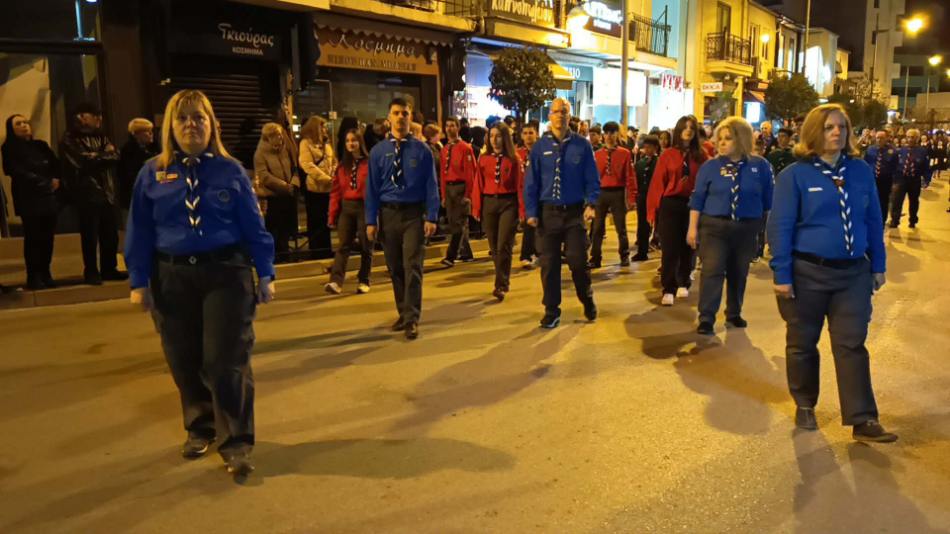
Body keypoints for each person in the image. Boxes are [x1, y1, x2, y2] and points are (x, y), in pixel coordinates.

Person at [125, 89, 277, 477]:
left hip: (226, 273)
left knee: (226, 360)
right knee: (183, 359)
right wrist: (139, 280)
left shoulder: (231, 171)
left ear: (212, 125)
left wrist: (266, 272)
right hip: (172, 277)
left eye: (199, 117)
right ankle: (200, 426)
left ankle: (237, 441)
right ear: (169, 127)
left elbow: (254, 226)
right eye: (183, 118)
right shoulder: (151, 173)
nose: (191, 125)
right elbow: (139, 230)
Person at [767, 103, 896, 443]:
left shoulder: (860, 171)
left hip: (853, 275)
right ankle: (805, 403)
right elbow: (779, 227)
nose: (837, 132)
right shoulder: (794, 175)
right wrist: (782, 274)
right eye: (829, 127)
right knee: (802, 343)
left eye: (842, 126)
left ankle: (863, 418)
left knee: (852, 344)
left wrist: (878, 264)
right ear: (814, 132)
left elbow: (873, 219)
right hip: (807, 273)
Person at [687, 117, 773, 335]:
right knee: (712, 270)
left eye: (728, 138)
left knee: (739, 271)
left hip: (746, 227)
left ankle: (734, 312)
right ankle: (706, 317)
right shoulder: (710, 167)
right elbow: (697, 199)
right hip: (714, 227)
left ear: (742, 139)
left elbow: (768, 202)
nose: (722, 143)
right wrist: (692, 228)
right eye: (720, 138)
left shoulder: (760, 166)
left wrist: (767, 232)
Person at [365, 97, 440, 340]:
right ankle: (403, 311)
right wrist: (370, 220)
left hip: (413, 215)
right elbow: (371, 188)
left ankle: (412, 318)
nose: (400, 117)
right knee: (395, 267)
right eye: (396, 113)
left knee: (413, 266)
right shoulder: (378, 152)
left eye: (405, 113)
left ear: (410, 117)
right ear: (389, 118)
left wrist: (431, 216)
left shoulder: (422, 150)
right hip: (388, 214)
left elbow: (431, 185)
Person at [524, 98, 600, 328]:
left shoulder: (582, 145)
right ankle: (551, 310)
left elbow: (592, 178)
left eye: (564, 112)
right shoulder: (539, 147)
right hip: (548, 214)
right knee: (549, 265)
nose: (560, 115)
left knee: (578, 261)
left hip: (574, 213)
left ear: (570, 115)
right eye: (556, 111)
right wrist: (531, 211)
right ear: (550, 115)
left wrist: (592, 203)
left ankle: (586, 297)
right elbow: (531, 182)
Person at [60, 102, 125, 285]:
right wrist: (103, 155)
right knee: (90, 235)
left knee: (110, 233)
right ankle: (91, 270)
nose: (98, 119)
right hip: (86, 191)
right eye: (92, 115)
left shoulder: (102, 137)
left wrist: (98, 156)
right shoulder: (70, 138)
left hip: (107, 191)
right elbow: (81, 161)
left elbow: (116, 155)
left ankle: (109, 268)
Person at [647, 115, 708, 306]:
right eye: (685, 127)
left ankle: (684, 281)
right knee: (670, 247)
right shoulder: (668, 155)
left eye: (691, 127)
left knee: (688, 246)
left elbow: (706, 183)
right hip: (671, 204)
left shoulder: (702, 156)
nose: (688, 130)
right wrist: (652, 210)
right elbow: (658, 183)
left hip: (693, 204)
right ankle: (668, 287)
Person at [2, 114, 60, 289]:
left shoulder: (40, 145)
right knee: (33, 237)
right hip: (28, 196)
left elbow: (55, 164)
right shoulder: (9, 147)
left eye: (25, 122)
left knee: (47, 237)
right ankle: (33, 276)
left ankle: (45, 272)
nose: (24, 125)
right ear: (11, 129)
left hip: (48, 195)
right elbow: (12, 169)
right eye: (18, 124)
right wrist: (39, 181)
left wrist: (55, 178)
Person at [473, 122, 523, 300]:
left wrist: (522, 210)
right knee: (494, 247)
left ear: (505, 138)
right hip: (489, 203)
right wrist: (476, 207)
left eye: (498, 136)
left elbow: (520, 186)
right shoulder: (483, 158)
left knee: (503, 245)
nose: (494, 140)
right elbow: (478, 184)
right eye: (491, 136)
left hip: (508, 203)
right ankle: (502, 279)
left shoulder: (514, 159)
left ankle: (500, 284)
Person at [325, 129, 372, 295]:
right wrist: (332, 215)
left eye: (354, 140)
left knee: (366, 245)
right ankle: (336, 281)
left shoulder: (369, 163)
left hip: (364, 206)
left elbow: (375, 188)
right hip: (347, 207)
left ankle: (364, 279)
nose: (351, 143)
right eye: (348, 141)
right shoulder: (342, 166)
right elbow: (335, 192)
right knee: (343, 245)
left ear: (360, 142)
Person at [590, 121, 636, 269]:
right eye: (607, 133)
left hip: (617, 192)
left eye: (612, 133)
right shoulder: (597, 154)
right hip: (601, 192)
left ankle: (624, 255)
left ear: (617, 134)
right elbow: (593, 177)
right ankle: (595, 257)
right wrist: (590, 199)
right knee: (597, 227)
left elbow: (630, 176)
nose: (609, 136)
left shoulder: (625, 153)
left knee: (620, 227)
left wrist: (631, 198)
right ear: (603, 135)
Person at [255, 122, 299, 262]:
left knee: (286, 226)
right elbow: (264, 175)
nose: (280, 138)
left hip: (288, 194)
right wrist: (283, 186)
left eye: (280, 135)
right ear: (269, 137)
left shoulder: (285, 150)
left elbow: (293, 167)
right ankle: (274, 256)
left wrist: (293, 183)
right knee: (274, 227)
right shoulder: (260, 154)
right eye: (277, 136)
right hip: (273, 196)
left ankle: (285, 253)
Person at [439, 116, 477, 266]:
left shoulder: (465, 148)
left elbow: (470, 173)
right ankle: (466, 253)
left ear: (458, 128)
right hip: (449, 188)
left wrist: (468, 194)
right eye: (447, 125)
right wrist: (443, 194)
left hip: (460, 187)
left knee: (459, 222)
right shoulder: (445, 149)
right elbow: (443, 174)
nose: (449, 129)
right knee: (455, 223)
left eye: (452, 125)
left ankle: (451, 255)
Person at [298, 116, 335, 258]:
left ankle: (326, 249)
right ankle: (317, 250)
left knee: (326, 220)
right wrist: (325, 178)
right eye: (322, 126)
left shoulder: (326, 143)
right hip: (315, 188)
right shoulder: (305, 143)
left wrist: (333, 174)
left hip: (328, 187)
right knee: (315, 220)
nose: (325, 129)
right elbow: (307, 164)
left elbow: (332, 161)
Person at [889, 128, 929, 229]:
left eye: (913, 137)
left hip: (914, 179)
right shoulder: (901, 150)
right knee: (897, 200)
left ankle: (913, 220)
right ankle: (895, 220)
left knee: (914, 201)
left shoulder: (922, 151)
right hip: (901, 179)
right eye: (908, 137)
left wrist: (927, 179)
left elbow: (926, 167)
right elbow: (894, 164)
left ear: (917, 138)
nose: (910, 139)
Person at [118, 118, 159, 215]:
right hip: (136, 193)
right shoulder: (128, 150)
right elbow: (129, 174)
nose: (151, 134)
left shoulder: (154, 148)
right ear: (136, 134)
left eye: (151, 131)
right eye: (147, 131)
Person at [632, 135, 660, 262]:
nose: (647, 149)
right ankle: (642, 251)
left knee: (658, 224)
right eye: (646, 147)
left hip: (656, 197)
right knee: (642, 224)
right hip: (642, 197)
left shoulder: (659, 162)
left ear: (655, 148)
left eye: (650, 147)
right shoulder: (640, 163)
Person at [863, 130, 898, 225]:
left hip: (885, 180)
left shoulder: (893, 151)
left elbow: (895, 167)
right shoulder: (870, 149)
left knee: (883, 200)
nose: (879, 140)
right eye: (877, 137)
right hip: (872, 179)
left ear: (886, 138)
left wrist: (895, 181)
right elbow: (865, 163)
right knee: (871, 199)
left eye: (881, 138)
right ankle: (870, 218)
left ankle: (882, 220)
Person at [517, 120, 540, 268]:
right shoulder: (517, 154)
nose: (528, 136)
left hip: (540, 193)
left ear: (536, 134)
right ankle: (526, 254)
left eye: (531, 133)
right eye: (525, 133)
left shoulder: (542, 152)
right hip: (524, 193)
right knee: (528, 225)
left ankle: (538, 253)